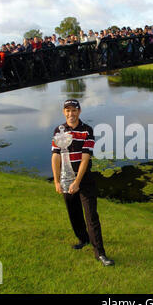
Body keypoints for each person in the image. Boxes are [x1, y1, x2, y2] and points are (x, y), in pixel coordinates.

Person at [51, 99, 115, 266]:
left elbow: (85, 157)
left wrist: (77, 181)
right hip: (66, 179)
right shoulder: (59, 130)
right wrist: (57, 181)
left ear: (79, 111)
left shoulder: (87, 130)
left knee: (91, 216)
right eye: (67, 110)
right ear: (64, 112)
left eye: (74, 110)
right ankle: (83, 238)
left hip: (84, 180)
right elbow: (55, 156)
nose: (70, 114)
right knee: (74, 213)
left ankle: (100, 253)